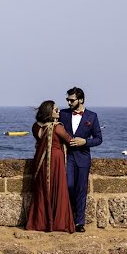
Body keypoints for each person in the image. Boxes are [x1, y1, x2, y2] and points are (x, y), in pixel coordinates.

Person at [25, 100, 75, 233]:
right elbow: (70, 140)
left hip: (40, 161)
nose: (58, 112)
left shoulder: (35, 127)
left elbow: (40, 138)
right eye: (56, 110)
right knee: (58, 188)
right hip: (55, 160)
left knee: (42, 189)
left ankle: (40, 222)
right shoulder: (57, 127)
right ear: (49, 112)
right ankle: (58, 222)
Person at [59, 87, 103, 232]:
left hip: (83, 157)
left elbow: (98, 139)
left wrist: (85, 142)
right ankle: (68, 217)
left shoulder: (92, 116)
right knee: (69, 186)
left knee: (81, 190)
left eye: (72, 100)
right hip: (67, 156)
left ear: (81, 100)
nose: (69, 102)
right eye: (68, 100)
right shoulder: (63, 114)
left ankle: (79, 222)